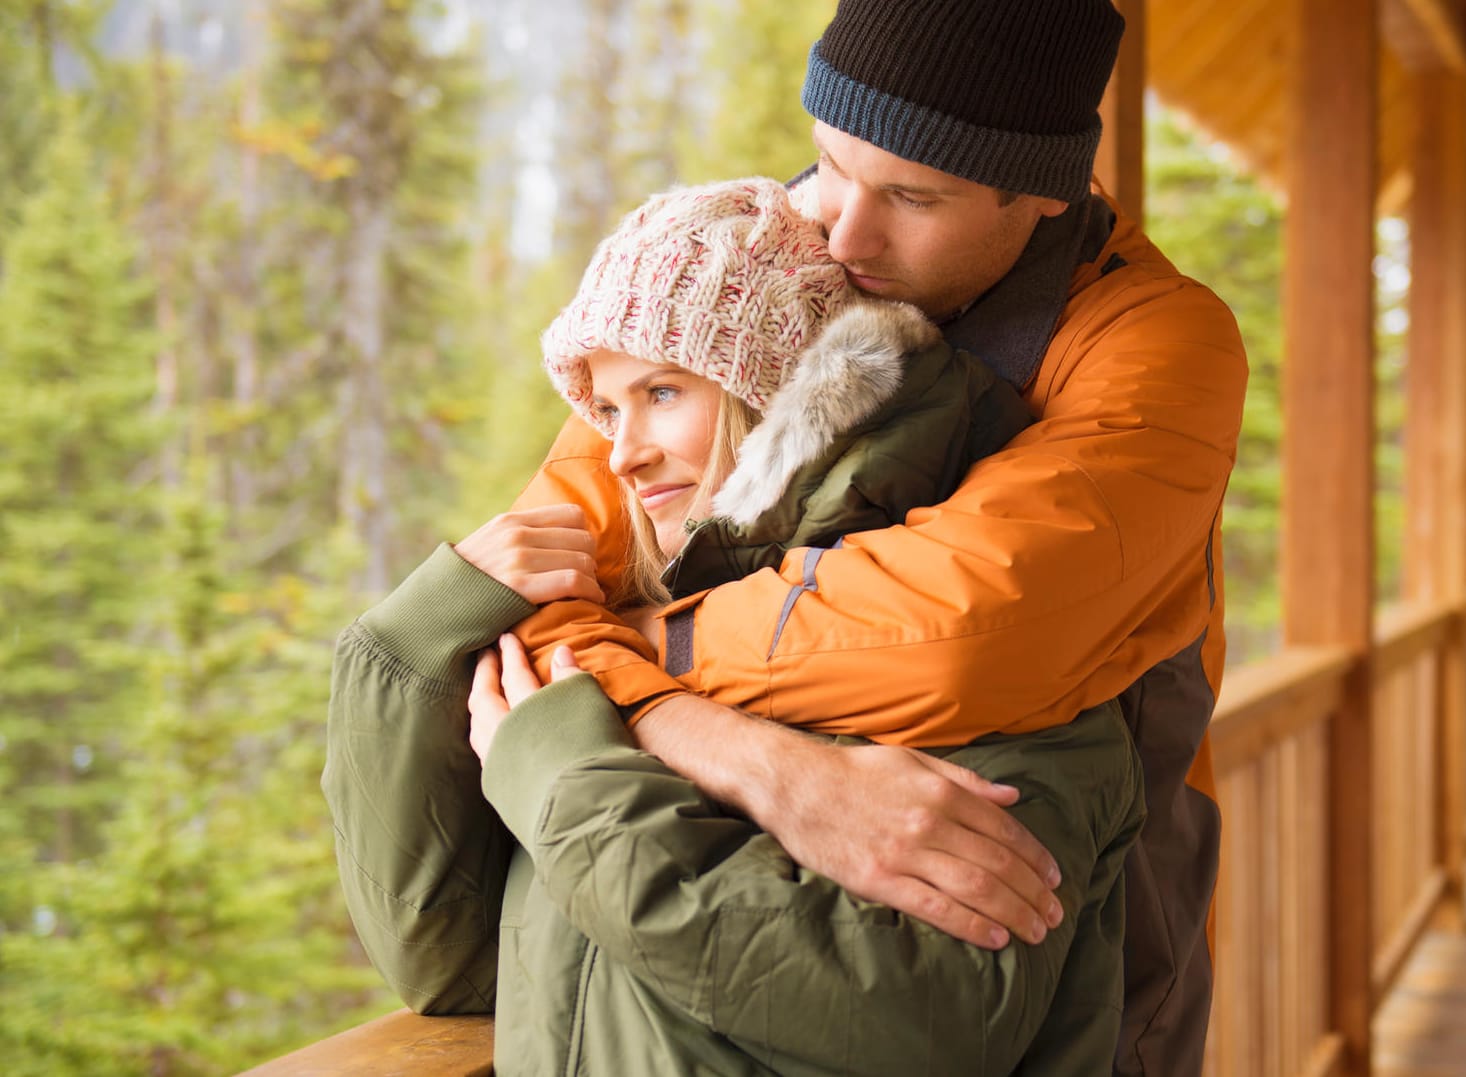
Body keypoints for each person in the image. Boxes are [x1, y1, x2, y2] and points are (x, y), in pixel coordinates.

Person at [506, 2, 1249, 1071]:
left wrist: (636, 660)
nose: (842, 234)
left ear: (1043, 191)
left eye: (912, 195)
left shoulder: (1155, 342)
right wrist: (748, 760)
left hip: (1065, 945)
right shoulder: (760, 266)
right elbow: (536, 579)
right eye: (828, 165)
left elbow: (962, 637)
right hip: (709, 961)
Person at [326, 177, 1147, 1074]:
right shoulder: (618, 642)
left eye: (663, 392)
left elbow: (919, 1015)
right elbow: (445, 963)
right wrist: (406, 650)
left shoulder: (988, 652)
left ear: (789, 399)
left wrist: (564, 777)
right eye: (606, 408)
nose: (621, 452)